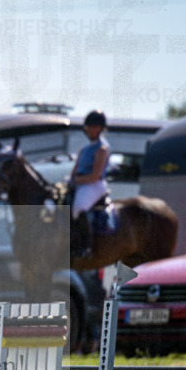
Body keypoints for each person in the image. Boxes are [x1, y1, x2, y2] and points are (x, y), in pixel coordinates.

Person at [69, 110, 111, 259]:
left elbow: (95, 175)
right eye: (89, 127)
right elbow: (74, 171)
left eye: (95, 127)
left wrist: (76, 180)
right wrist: (70, 180)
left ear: (101, 128)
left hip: (94, 185)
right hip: (80, 183)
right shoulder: (83, 149)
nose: (91, 130)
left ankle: (86, 246)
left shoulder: (102, 149)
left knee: (79, 209)